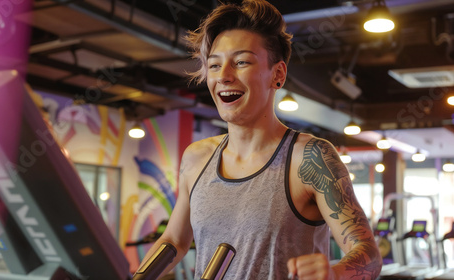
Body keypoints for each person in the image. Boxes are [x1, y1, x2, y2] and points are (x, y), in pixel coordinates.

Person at [136, 0, 382, 279]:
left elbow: (370, 256)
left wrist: (335, 274)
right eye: (215, 66)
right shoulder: (197, 157)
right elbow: (175, 242)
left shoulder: (310, 157)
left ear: (277, 74)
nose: (224, 76)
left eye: (241, 62)